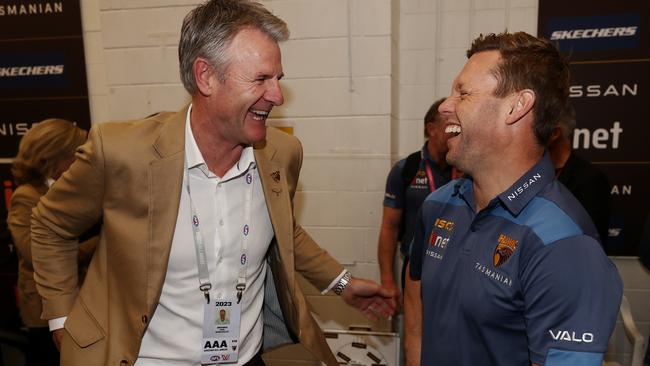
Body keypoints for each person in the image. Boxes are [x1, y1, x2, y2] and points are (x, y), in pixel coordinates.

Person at [29, 1, 395, 366]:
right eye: (260, 79)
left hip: (245, 359)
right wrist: (62, 319)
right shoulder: (123, 153)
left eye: (278, 79)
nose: (277, 96)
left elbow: (284, 231)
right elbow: (50, 225)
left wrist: (342, 283)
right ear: (205, 76)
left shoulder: (282, 153)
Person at [405, 31, 622, 366]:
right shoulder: (437, 204)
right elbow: (415, 289)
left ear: (517, 106)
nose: (445, 106)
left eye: (462, 93)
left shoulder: (565, 246)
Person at [7, 119, 97, 366]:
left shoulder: (72, 190)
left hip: (79, 304)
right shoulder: (26, 197)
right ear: (54, 156)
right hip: (44, 313)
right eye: (76, 154)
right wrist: (100, 243)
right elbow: (38, 256)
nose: (81, 161)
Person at [548, 106, 611, 244]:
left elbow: (593, 238)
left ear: (555, 133)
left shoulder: (590, 179)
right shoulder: (536, 174)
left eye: (539, 128)